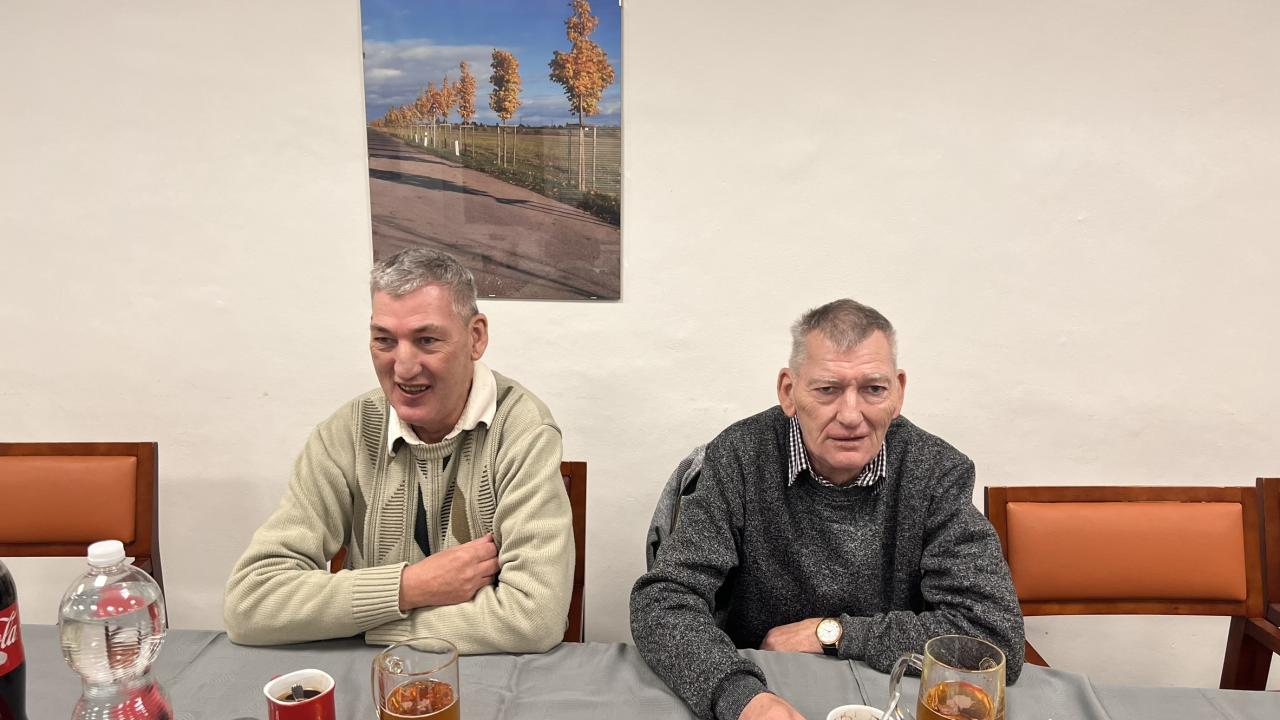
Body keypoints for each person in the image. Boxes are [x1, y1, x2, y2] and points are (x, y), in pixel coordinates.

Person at [630, 299, 1025, 720]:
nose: (851, 416)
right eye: (827, 390)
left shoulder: (936, 472)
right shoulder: (739, 457)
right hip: (760, 685)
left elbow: (993, 635)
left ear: (898, 392)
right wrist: (741, 698)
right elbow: (662, 600)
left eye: (873, 389)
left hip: (887, 697)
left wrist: (832, 633)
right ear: (789, 391)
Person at [224, 248, 573, 653]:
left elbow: (533, 618)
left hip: (487, 677)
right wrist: (411, 586)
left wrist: (365, 626)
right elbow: (249, 604)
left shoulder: (522, 429)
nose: (404, 367)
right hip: (377, 679)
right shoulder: (345, 433)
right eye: (384, 340)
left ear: (475, 337)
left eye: (427, 340)